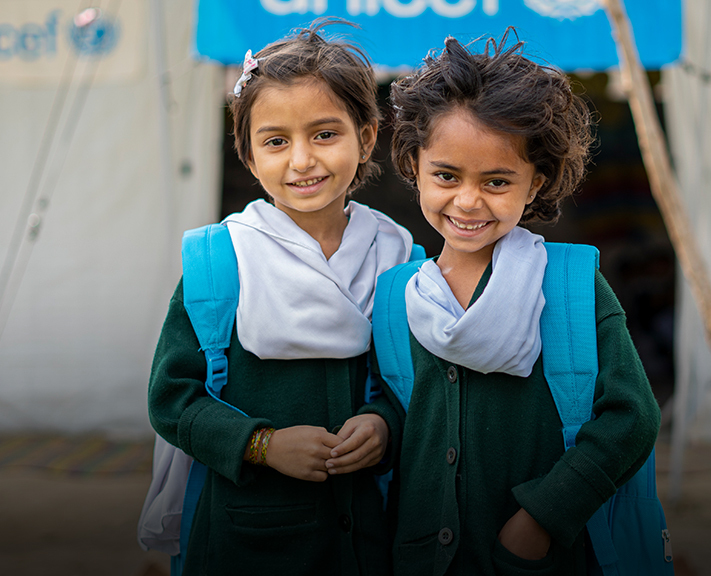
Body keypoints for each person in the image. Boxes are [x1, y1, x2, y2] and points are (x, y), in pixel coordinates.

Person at [330, 30, 662, 575]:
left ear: (537, 183)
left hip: (543, 558)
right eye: (446, 175)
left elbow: (633, 418)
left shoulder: (570, 285)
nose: (467, 200)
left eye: (497, 181)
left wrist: (542, 518)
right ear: (413, 167)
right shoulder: (395, 295)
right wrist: (379, 424)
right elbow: (403, 400)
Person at [148, 20, 414, 575]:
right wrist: (262, 445)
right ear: (247, 154)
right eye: (275, 141)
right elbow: (173, 400)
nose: (301, 160)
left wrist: (384, 422)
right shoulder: (220, 264)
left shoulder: (399, 261)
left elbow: (416, 385)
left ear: (366, 136)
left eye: (324, 134)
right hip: (245, 543)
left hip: (371, 540)